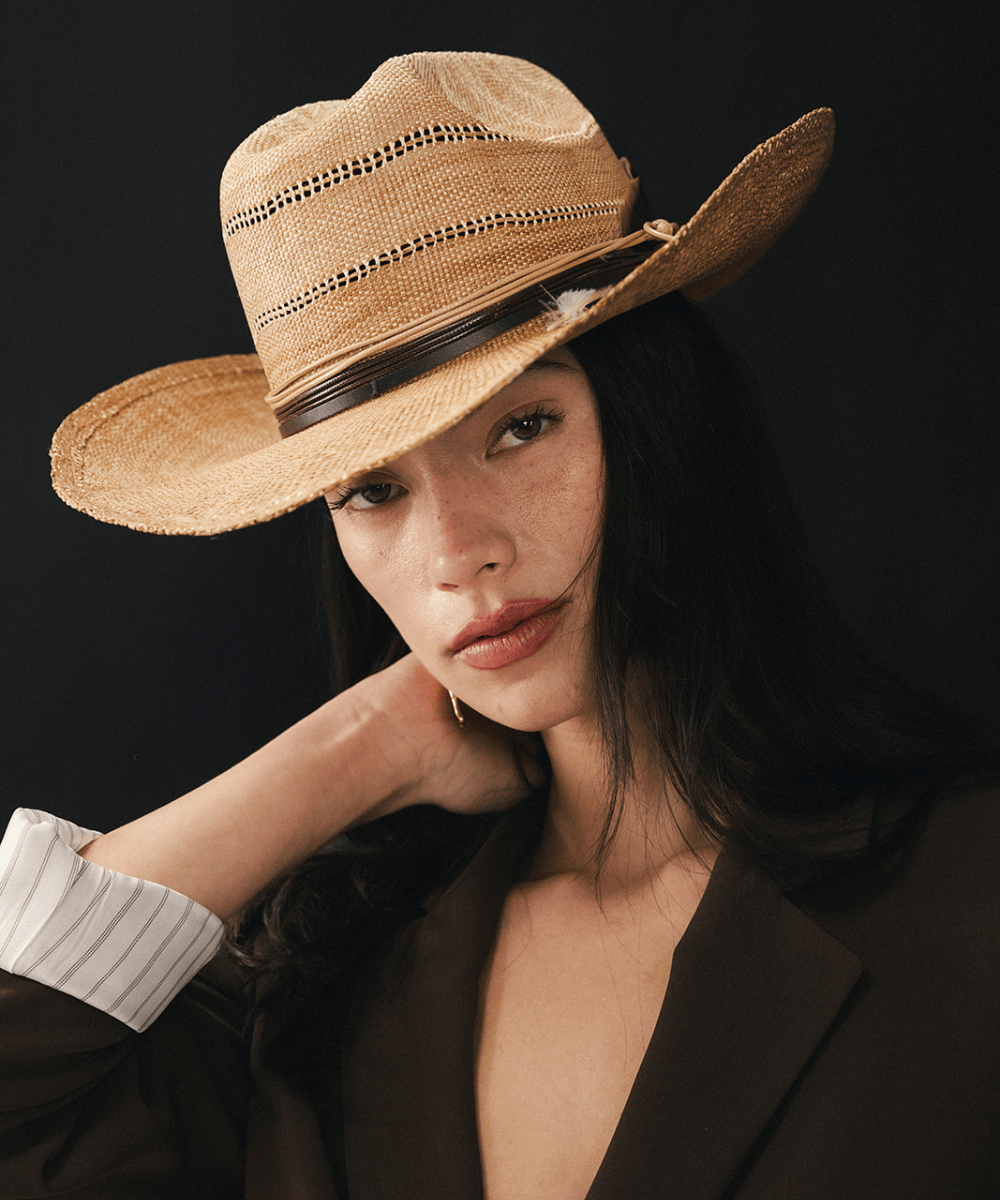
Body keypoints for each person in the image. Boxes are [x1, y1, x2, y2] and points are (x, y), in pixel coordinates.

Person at [1, 51, 997, 1200]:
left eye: (520, 427)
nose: (455, 553)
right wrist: (359, 748)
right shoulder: (316, 997)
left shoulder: (967, 897)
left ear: (660, 422)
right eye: (371, 490)